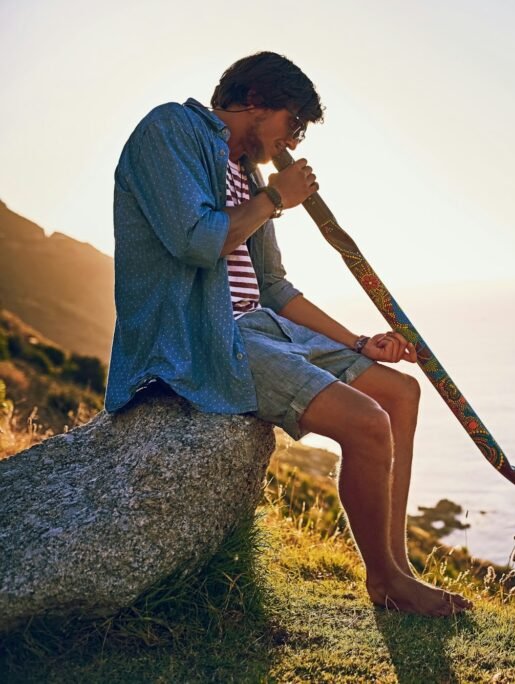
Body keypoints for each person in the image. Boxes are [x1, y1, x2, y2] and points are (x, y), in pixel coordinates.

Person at [106, 51, 471, 617]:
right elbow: (196, 241)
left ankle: (397, 573)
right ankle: (385, 582)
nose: (293, 143)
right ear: (254, 100)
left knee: (400, 394)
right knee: (367, 424)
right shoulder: (170, 130)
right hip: (203, 335)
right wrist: (276, 199)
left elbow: (273, 285)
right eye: (293, 124)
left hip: (263, 324)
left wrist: (356, 343)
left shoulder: (244, 170)